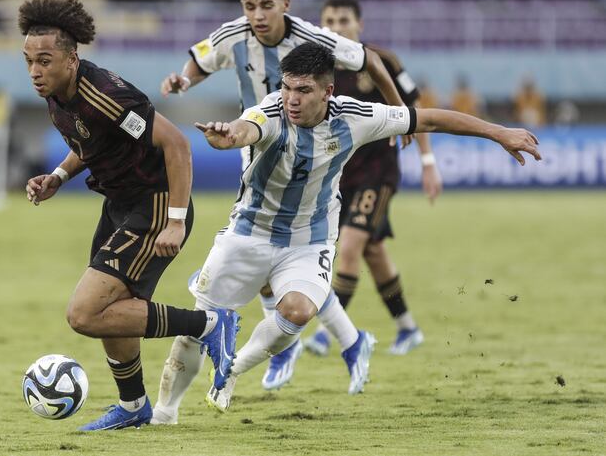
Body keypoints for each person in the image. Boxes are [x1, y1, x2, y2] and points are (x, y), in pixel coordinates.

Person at [152, 42, 540, 418]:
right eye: (287, 87)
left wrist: (498, 132)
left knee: (298, 311)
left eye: (304, 90)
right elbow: (244, 129)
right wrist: (227, 136)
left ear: (328, 91)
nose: (292, 99)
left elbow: (431, 118)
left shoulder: (355, 116)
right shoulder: (269, 112)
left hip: (310, 239)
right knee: (196, 332)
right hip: (248, 234)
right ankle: (164, 413)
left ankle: (230, 372)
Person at [158, 0, 407, 392]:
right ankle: (348, 340)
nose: (257, 15)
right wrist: (184, 80)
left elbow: (372, 60)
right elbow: (201, 61)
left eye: (266, 6)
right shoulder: (231, 35)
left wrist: (399, 113)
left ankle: (295, 343)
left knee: (282, 247)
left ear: (285, 5)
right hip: (257, 143)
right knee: (276, 253)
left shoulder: (314, 38)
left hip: (310, 147)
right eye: (250, 6)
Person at [18, 0, 239, 431]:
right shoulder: (58, 93)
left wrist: (175, 219)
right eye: (28, 61)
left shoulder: (105, 94)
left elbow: (175, 144)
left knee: (83, 314)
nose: (34, 71)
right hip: (119, 206)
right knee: (109, 310)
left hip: (153, 204)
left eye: (44, 60)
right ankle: (135, 406)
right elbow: (91, 143)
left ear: (71, 58)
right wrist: (59, 177)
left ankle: (210, 323)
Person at [303, 0, 442, 358]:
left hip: (378, 172)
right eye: (328, 20)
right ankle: (408, 327)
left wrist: (428, 161)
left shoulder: (382, 61)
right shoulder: (313, 67)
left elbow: (416, 111)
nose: (335, 27)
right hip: (337, 175)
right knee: (374, 251)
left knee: (349, 245)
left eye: (343, 20)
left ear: (359, 25)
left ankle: (325, 334)